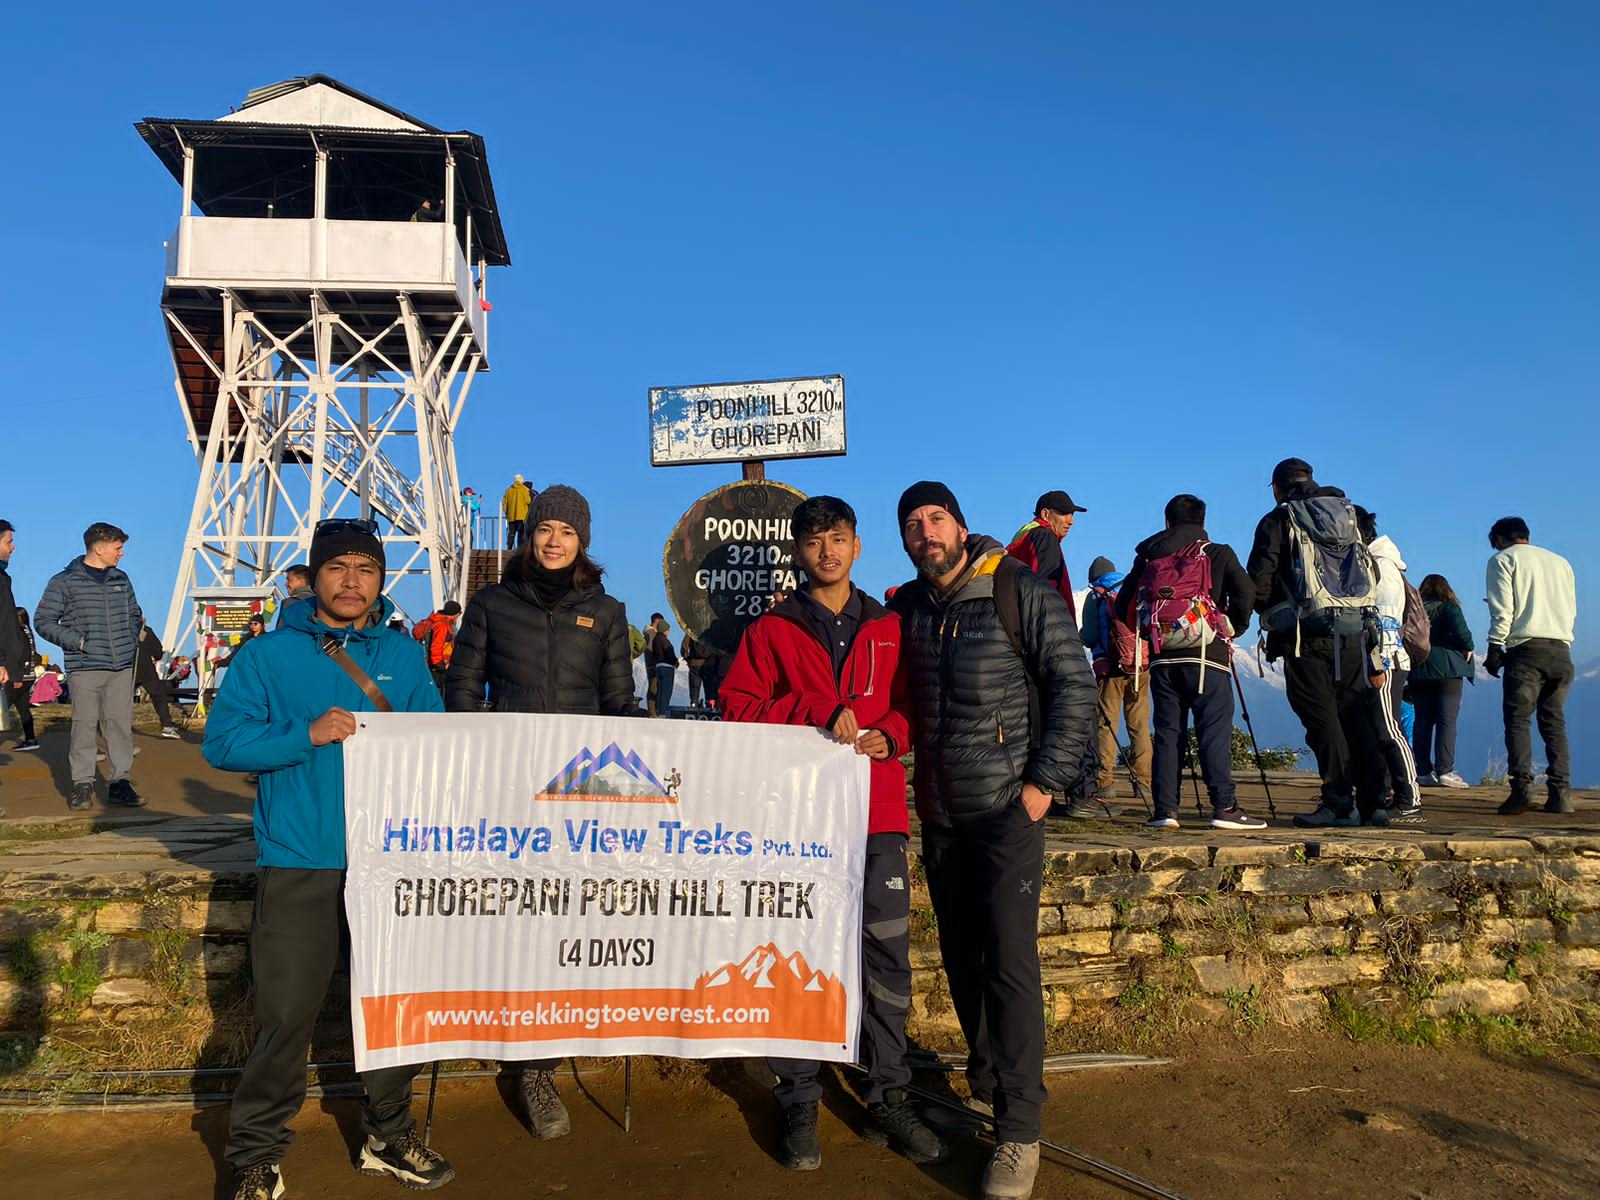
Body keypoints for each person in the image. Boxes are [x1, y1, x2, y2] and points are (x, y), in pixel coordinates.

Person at [203, 519, 454, 1199]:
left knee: (392, 1006)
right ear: (313, 576)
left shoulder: (404, 659)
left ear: (380, 580)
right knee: (287, 1012)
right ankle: (255, 1155)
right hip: (300, 857)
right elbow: (223, 745)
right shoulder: (267, 657)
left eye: (366, 569)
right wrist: (304, 734)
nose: (352, 580)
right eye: (338, 567)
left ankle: (387, 1136)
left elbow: (440, 747)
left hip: (386, 862)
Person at [721, 496, 944, 1171]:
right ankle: (798, 1098)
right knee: (797, 956)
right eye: (814, 541)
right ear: (797, 551)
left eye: (838, 539)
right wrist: (817, 710)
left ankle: (887, 1096)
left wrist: (892, 734)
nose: (827, 552)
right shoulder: (771, 631)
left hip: (875, 817)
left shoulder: (889, 625)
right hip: (795, 820)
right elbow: (736, 707)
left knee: (886, 961)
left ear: (856, 546)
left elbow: (910, 705)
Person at [890, 481, 1095, 1200]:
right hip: (943, 817)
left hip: (1008, 812)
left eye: (935, 519)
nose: (926, 534)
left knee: (1008, 961)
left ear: (960, 525)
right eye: (911, 526)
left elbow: (1075, 687)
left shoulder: (1017, 589)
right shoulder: (909, 609)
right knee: (960, 957)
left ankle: (1019, 1131)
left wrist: (1043, 785)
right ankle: (985, 1083)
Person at [445, 484, 633, 1142]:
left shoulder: (606, 612)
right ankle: (530, 1065)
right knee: (520, 922)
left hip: (586, 796)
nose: (554, 540)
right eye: (544, 528)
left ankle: (560, 1036)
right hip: (509, 789)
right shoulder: (492, 603)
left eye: (567, 531)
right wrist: (479, 756)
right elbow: (463, 687)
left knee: (575, 919)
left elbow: (619, 708)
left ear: (583, 542)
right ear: (529, 537)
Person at [1116, 494, 1263, 830]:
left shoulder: (1150, 556)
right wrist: (1234, 625)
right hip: (1206, 655)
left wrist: (1148, 633)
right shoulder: (1217, 553)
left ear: (1168, 522)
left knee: (1168, 733)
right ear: (1203, 522)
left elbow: (1122, 602)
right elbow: (1246, 590)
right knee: (1213, 731)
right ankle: (1224, 808)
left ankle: (1165, 810)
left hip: (1163, 655)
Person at [1247, 458, 1377, 828]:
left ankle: (1338, 802)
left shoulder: (1278, 519)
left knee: (1322, 718)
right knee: (1356, 713)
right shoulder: (1348, 513)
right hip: (1353, 630)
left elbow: (1260, 580)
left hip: (1304, 635)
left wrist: (1269, 613)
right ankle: (1373, 803)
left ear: (1276, 487)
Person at [35, 522, 146, 811]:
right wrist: (79, 643)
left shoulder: (122, 579)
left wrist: (130, 640)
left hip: (120, 666)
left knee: (120, 726)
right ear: (99, 548)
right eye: (117, 548)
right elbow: (43, 621)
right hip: (84, 667)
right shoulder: (64, 582)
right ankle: (82, 784)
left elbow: (136, 615)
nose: (121, 554)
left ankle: (120, 782)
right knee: (84, 727)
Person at [1484, 516, 1578, 815]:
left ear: (1499, 538)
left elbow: (1503, 609)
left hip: (1526, 650)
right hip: (1561, 649)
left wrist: (1495, 646)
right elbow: (1571, 608)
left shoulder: (1502, 560)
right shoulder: (1561, 562)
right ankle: (1561, 794)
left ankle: (1522, 789)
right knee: (1554, 722)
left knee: (1518, 720)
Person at [1354, 508, 1421, 825]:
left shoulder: (1380, 568)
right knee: (1377, 730)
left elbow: (1382, 623)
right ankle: (1384, 795)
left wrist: (1376, 663)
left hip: (1386, 660)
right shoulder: (1381, 564)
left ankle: (1410, 799)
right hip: (1384, 659)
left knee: (1388, 729)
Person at [1079, 556, 1152, 804]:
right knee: (1140, 727)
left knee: (1106, 725)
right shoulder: (1133, 588)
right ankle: (1143, 784)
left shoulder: (1097, 596)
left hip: (1110, 670)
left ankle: (1105, 783)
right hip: (1140, 668)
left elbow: (1089, 636)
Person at [1411, 574, 1474, 789]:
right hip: (1448, 669)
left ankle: (1422, 771)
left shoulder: (1414, 610)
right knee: (1446, 720)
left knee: (1423, 720)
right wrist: (1468, 646)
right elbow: (1463, 633)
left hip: (1419, 668)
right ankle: (1445, 770)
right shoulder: (1449, 607)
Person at [135, 624, 182, 738]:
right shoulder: (145, 630)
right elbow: (158, 652)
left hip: (125, 670)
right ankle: (166, 725)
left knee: (120, 701)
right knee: (159, 696)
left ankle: (114, 729)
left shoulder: (119, 628)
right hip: (146, 670)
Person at [411, 600, 462, 694]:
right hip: (437, 668)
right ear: (455, 614)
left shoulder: (432, 620)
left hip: (426, 665)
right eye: (459, 613)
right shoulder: (442, 625)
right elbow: (436, 647)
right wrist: (441, 666)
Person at [649, 615, 678, 716]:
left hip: (659, 666)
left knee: (660, 690)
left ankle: (658, 709)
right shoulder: (664, 640)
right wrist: (675, 661)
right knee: (666, 690)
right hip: (667, 667)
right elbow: (669, 653)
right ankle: (663, 711)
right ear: (664, 630)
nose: (669, 632)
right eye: (668, 630)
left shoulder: (655, 640)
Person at [275, 564, 313, 629]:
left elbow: (282, 632)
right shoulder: (322, 603)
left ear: (302, 581)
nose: (286, 584)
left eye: (289, 580)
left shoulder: (291, 602)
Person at [680, 626, 710, 708]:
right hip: (708, 663)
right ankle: (710, 705)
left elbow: (684, 646)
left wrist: (687, 659)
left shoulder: (692, 629)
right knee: (709, 687)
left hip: (694, 663)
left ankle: (694, 704)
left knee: (694, 687)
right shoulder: (711, 630)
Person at [502, 474, 531, 550]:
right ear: (521, 480)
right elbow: (528, 500)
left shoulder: (508, 490)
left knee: (511, 533)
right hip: (521, 515)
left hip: (511, 516)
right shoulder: (524, 489)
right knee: (521, 533)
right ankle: (520, 548)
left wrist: (507, 512)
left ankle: (509, 547)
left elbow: (504, 503)